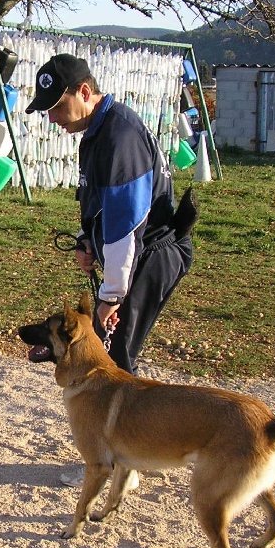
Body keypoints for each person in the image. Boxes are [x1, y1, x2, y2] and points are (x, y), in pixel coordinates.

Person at [26, 54, 194, 487]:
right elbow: (99, 207)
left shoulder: (119, 135)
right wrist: (86, 241)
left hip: (151, 253)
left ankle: (119, 465)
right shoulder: (98, 132)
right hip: (133, 253)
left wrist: (111, 297)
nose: (53, 118)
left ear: (85, 92)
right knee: (109, 355)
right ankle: (117, 459)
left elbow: (125, 226)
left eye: (57, 108)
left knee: (113, 359)